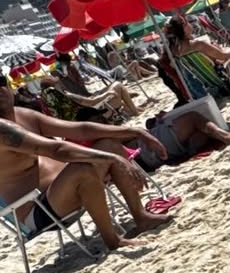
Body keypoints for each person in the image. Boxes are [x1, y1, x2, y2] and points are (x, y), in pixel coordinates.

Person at [0, 76, 176, 252]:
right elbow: (56, 149)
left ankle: (141, 217)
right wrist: (112, 159)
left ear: (8, 85)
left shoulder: (23, 115)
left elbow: (81, 129)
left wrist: (134, 131)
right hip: (39, 211)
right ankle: (113, 240)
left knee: (108, 145)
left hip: (67, 188)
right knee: (84, 167)